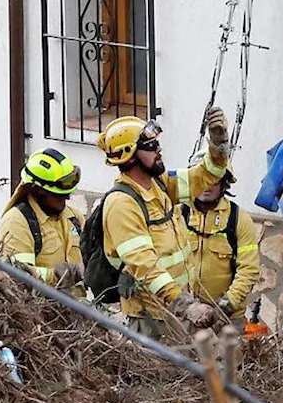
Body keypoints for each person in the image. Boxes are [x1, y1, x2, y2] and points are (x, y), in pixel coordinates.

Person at [97, 108, 234, 339]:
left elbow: (205, 176)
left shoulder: (159, 183)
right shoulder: (122, 204)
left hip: (174, 313)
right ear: (129, 155)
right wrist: (183, 304)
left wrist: (218, 144)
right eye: (150, 146)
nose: (158, 149)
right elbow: (145, 266)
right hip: (151, 319)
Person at [0, 148, 88, 297]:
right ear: (37, 191)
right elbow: (18, 279)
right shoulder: (17, 223)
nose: (66, 199)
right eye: (58, 195)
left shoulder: (73, 217)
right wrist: (56, 275)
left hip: (79, 313)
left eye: (67, 194)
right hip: (42, 315)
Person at [181, 164, 261, 332]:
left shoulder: (238, 218)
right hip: (187, 315)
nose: (207, 185)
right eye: (202, 178)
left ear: (224, 183)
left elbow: (249, 269)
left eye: (214, 179)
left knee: (227, 358)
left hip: (227, 319)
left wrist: (227, 305)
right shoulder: (179, 215)